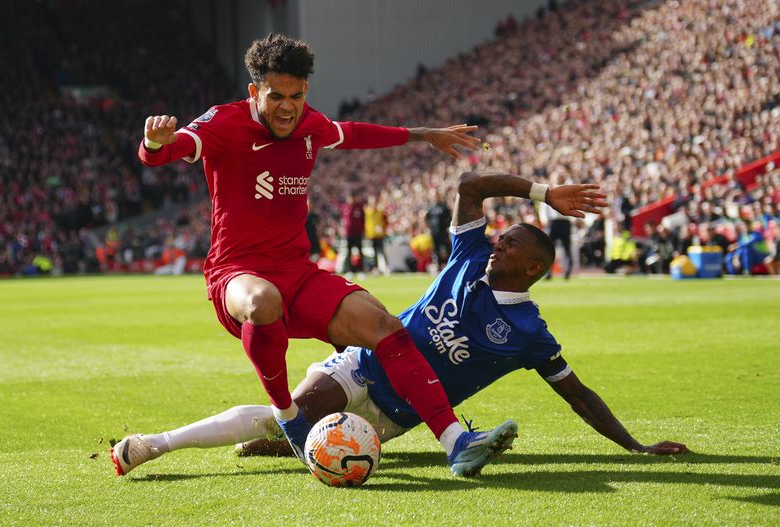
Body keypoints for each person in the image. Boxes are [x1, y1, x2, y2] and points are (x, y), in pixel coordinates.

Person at [112, 172, 688, 477]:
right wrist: (539, 192)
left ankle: (282, 440)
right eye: (499, 236)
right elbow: (471, 187)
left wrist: (635, 448)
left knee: (293, 436)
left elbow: (578, 395)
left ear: (533, 268)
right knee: (294, 414)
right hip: (362, 365)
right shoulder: (468, 258)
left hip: (395, 417)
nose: (497, 242)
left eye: (509, 243)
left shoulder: (530, 335)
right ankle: (158, 445)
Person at [118, 33, 508, 477]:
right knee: (263, 303)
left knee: (385, 326)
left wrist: (422, 135)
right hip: (237, 274)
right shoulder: (224, 124)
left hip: (300, 275)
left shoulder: (310, 124)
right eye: (276, 96)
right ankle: (288, 418)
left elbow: (355, 134)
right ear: (254, 92)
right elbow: (165, 153)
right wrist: (153, 143)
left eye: (297, 96)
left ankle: (457, 443)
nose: (288, 107)